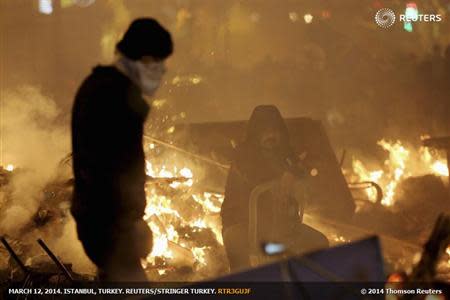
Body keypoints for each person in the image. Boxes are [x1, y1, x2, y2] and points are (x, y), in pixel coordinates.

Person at [71, 18, 173, 281]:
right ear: (145, 59)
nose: (162, 72)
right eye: (159, 63)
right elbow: (114, 168)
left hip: (99, 223)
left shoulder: (97, 86)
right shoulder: (117, 96)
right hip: (111, 227)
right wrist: (132, 223)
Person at [220, 105, 328, 272]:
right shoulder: (243, 154)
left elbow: (305, 166)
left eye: (274, 130)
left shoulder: (285, 153)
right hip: (243, 225)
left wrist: (293, 172)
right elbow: (253, 175)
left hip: (283, 226)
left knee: (319, 242)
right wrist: (280, 178)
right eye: (265, 131)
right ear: (256, 132)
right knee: (238, 257)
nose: (271, 136)